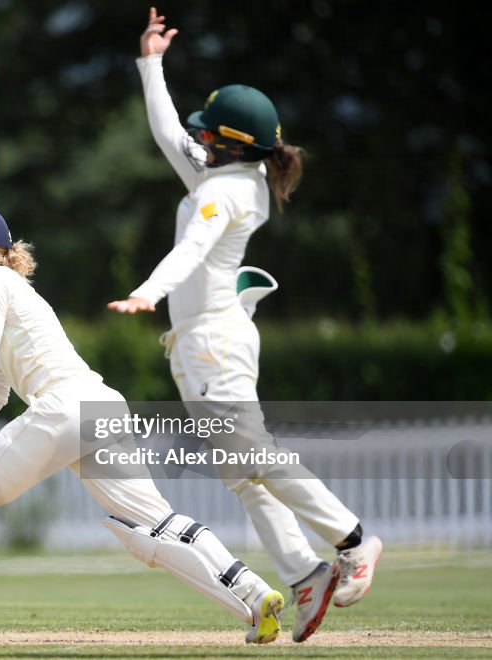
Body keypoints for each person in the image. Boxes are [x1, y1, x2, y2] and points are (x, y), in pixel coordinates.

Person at [107, 7, 383, 643]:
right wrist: (151, 63)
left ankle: (355, 540)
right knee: (241, 471)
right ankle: (306, 575)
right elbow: (169, 131)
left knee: (254, 457)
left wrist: (148, 292)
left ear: (232, 144)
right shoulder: (231, 172)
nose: (198, 139)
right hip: (201, 347)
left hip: (214, 344)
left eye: (211, 134)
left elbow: (193, 250)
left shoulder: (223, 192)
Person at [0, 202, 286, 644]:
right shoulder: (11, 288)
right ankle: (255, 594)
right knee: (155, 525)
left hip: (63, 409)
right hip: (101, 406)